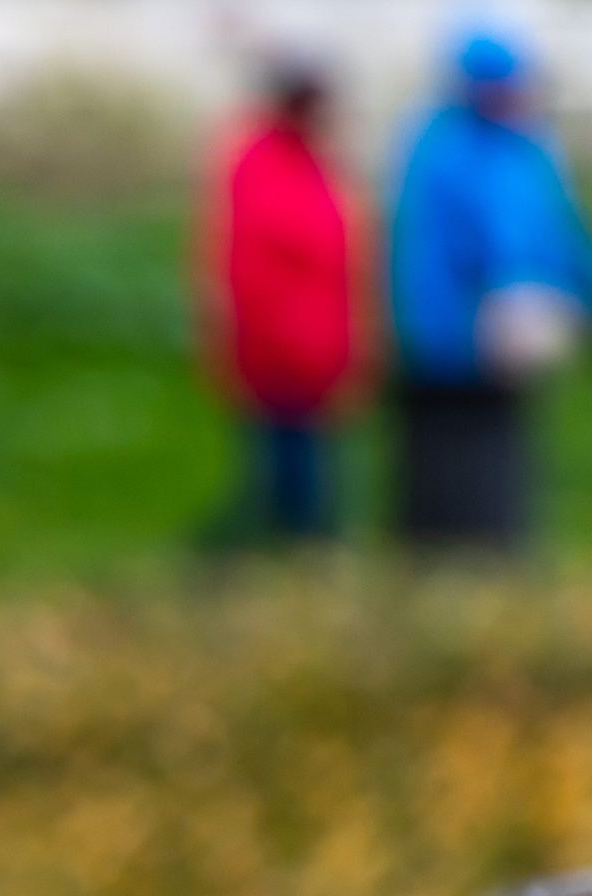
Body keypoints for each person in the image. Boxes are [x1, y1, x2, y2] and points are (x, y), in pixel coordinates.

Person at [389, 28, 592, 553]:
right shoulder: (448, 149)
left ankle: (493, 550)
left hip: (501, 337)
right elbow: (456, 247)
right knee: (443, 454)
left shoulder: (522, 147)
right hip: (447, 337)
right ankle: (441, 553)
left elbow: (563, 232)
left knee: (496, 449)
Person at [198, 52, 368, 548]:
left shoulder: (314, 163)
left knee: (307, 459)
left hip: (317, 341)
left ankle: (293, 542)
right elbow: (258, 261)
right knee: (286, 461)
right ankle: (282, 544)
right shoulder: (263, 165)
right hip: (278, 344)